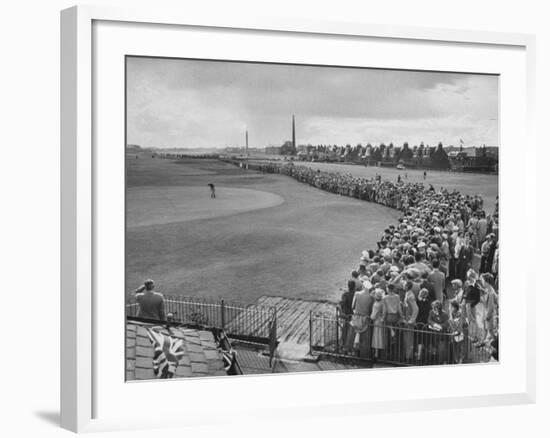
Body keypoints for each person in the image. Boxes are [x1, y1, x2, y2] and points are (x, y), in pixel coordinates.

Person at [370, 289, 386, 360]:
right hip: (382, 321)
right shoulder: (383, 303)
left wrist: (370, 317)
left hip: (377, 322)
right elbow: (385, 312)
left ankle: (376, 354)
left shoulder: (376, 304)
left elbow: (373, 316)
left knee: (377, 337)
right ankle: (381, 353)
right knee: (382, 337)